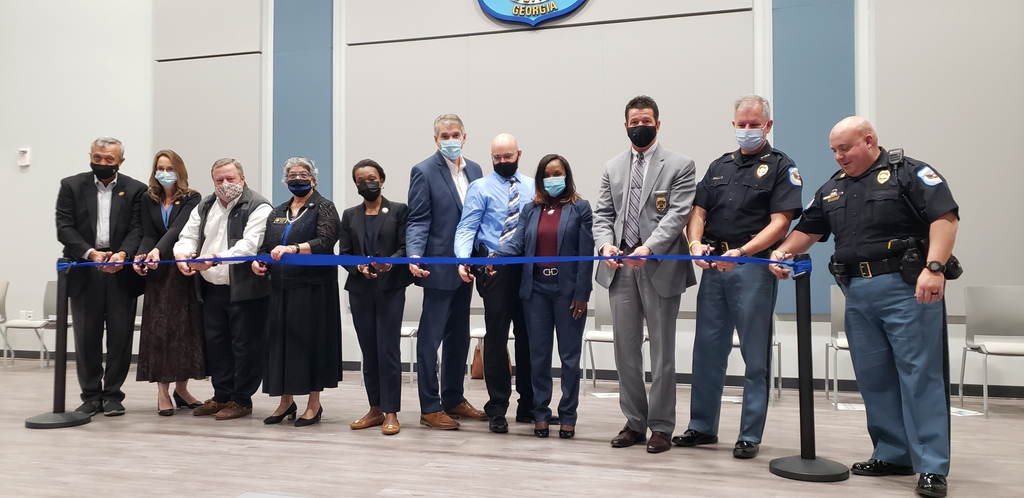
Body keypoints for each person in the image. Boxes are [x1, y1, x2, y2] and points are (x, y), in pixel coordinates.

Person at [769, 116, 957, 498]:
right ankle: (892, 452)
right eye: (834, 151)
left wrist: (934, 268)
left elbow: (945, 217)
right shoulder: (833, 189)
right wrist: (783, 250)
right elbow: (810, 229)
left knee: (919, 377)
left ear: (869, 140)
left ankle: (932, 467)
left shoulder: (909, 172)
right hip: (857, 292)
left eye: (845, 148)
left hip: (907, 288)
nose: (839, 156)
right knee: (874, 378)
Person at [673, 96, 803, 459]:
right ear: (733, 125)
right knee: (707, 351)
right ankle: (701, 426)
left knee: (755, 356)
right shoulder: (719, 166)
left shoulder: (781, 166)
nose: (746, 130)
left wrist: (743, 252)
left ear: (767, 125)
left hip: (752, 267)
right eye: (741, 124)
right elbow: (697, 210)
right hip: (714, 267)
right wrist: (695, 243)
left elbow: (781, 222)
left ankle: (749, 434)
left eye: (753, 124)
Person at [593, 95, 697, 453]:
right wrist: (606, 245)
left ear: (657, 123)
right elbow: (603, 214)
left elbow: (677, 215)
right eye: (634, 122)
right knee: (625, 351)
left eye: (647, 121)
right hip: (619, 269)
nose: (641, 126)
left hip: (660, 267)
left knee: (662, 352)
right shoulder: (612, 167)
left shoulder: (680, 164)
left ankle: (662, 426)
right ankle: (634, 423)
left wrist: (648, 248)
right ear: (625, 126)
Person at [494, 153, 593, 439]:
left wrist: (582, 293)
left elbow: (586, 255)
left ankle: (568, 415)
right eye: (547, 175)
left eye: (557, 173)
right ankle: (540, 413)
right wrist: (495, 256)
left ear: (567, 175)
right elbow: (516, 244)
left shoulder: (580, 209)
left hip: (568, 293)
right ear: (540, 179)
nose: (553, 179)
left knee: (569, 357)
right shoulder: (530, 210)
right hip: (535, 291)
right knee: (537, 357)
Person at [174, 158, 272, 421]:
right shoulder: (205, 205)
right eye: (220, 180)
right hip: (211, 289)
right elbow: (188, 235)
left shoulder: (258, 206)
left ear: (242, 178)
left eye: (231, 179)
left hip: (245, 290)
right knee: (216, 346)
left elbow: (249, 247)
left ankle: (241, 400)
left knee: (245, 347)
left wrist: (214, 257)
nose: (225, 184)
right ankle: (221, 395)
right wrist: (183, 255)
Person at [406, 113, 487, 429]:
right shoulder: (424, 171)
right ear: (436, 139)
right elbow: (418, 219)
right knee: (430, 339)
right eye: (444, 135)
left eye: (455, 134)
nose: (450, 139)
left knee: (459, 338)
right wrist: (414, 253)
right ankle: (430, 407)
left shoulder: (477, 170)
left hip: (468, 269)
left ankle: (453, 398)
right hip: (438, 269)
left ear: (465, 137)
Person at [56, 137, 146, 416]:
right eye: (98, 158)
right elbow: (65, 227)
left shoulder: (135, 189)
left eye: (109, 159)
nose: (102, 164)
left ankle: (113, 395)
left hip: (121, 270)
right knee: (86, 336)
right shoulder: (71, 185)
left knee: (120, 336)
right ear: (91, 156)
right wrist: (90, 253)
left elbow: (137, 229)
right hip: (85, 269)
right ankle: (91, 395)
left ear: (120, 161)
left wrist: (122, 255)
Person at [454, 133, 535, 433]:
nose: (502, 162)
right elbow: (467, 227)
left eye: (507, 157)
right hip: (494, 271)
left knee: (529, 337)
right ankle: (498, 407)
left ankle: (529, 404)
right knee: (497, 338)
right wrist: (463, 259)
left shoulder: (533, 186)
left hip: (528, 270)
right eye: (496, 158)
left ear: (519, 154)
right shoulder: (480, 187)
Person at [252, 157, 342, 427]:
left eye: (303, 175)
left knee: (310, 345)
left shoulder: (324, 207)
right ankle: (285, 401)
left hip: (314, 289)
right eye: (291, 175)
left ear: (313, 179)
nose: (297, 179)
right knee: (281, 346)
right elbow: (267, 245)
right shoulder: (278, 210)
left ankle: (314, 404)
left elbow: (325, 241)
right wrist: (260, 261)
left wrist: (293, 248)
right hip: (280, 288)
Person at [338, 159, 414, 435]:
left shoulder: (399, 211)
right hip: (360, 290)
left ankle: (391, 411)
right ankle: (374, 408)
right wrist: (358, 267)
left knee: (388, 350)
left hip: (390, 288)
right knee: (369, 351)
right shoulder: (349, 215)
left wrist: (388, 264)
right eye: (360, 180)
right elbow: (344, 253)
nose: (366, 183)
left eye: (371, 178)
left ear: (382, 179)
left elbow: (406, 246)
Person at [132, 149, 205, 416]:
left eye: (170, 168)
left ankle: (182, 390)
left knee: (185, 333)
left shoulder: (192, 197)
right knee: (160, 334)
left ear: (180, 171)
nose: (165, 173)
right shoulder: (147, 197)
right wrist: (143, 254)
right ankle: (163, 393)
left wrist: (157, 251)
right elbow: (148, 232)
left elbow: (178, 230)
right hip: (157, 276)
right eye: (160, 168)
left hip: (181, 271)